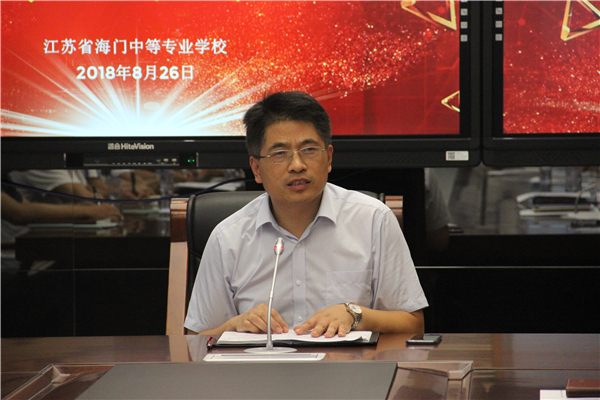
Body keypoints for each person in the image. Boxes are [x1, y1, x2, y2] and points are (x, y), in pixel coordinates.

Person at [184, 91, 428, 337]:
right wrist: (233, 326)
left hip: (349, 362)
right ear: (256, 169)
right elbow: (194, 342)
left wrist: (355, 314)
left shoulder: (373, 220)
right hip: (260, 363)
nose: (297, 165)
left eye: (309, 150)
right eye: (280, 154)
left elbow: (413, 324)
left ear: (328, 158)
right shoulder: (227, 238)